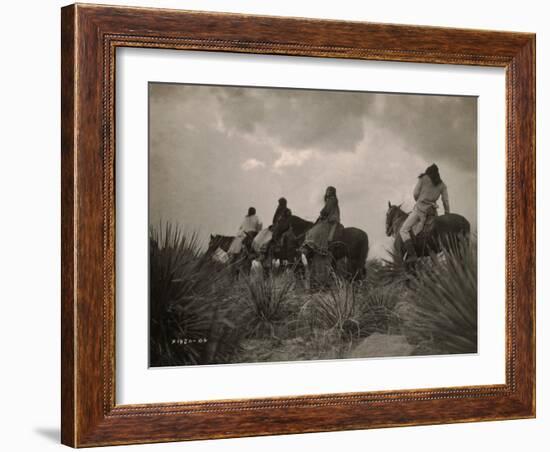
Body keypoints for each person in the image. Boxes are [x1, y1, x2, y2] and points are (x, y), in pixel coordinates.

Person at [400, 163, 450, 262]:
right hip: (432, 211)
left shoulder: (423, 178)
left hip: (420, 209)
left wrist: (419, 200)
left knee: (404, 230)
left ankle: (412, 255)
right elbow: (445, 201)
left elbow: (415, 193)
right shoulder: (442, 185)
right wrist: (447, 213)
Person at [303, 186, 341, 255]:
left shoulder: (332, 199)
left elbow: (327, 210)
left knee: (320, 229)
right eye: (327, 191)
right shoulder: (331, 199)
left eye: (329, 191)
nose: (327, 192)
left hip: (332, 219)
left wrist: (322, 214)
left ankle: (322, 248)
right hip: (330, 218)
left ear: (332, 192)